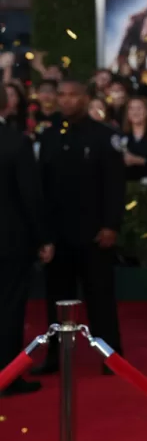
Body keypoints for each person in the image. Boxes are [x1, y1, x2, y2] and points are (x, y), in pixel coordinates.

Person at [33, 80, 125, 375]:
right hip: (58, 236)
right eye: (62, 94)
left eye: (73, 95)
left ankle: (112, 357)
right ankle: (54, 357)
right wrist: (44, 234)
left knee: (101, 299)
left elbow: (115, 186)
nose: (67, 100)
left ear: (86, 98)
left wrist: (111, 224)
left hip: (94, 234)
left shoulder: (104, 137)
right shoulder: (47, 137)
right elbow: (41, 189)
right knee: (56, 300)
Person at [0, 90, 53, 397]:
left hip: (10, 241)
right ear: (7, 104)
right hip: (9, 243)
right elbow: (31, 197)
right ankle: (8, 376)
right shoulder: (16, 142)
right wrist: (43, 238)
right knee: (8, 309)